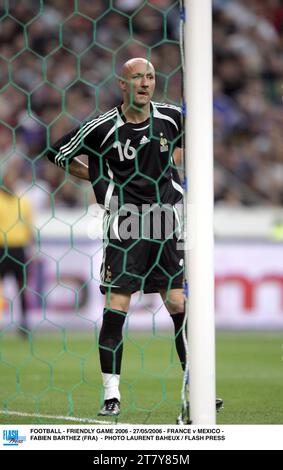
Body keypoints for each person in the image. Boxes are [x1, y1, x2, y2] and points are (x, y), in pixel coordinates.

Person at [46, 57, 187, 416]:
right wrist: (100, 181)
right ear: (122, 84)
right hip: (124, 224)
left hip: (165, 221)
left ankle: (195, 387)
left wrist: (175, 168)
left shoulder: (172, 117)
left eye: (151, 77)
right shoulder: (103, 126)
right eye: (137, 77)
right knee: (117, 307)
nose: (145, 83)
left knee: (178, 303)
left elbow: (188, 147)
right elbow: (57, 153)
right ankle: (112, 395)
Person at [0, 171, 34, 337]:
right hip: (1, 248)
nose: (11, 182)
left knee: (22, 288)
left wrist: (32, 248)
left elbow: (29, 226)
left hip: (19, 249)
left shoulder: (23, 202)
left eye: (13, 179)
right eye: (8, 179)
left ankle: (24, 324)